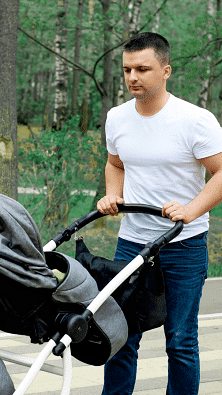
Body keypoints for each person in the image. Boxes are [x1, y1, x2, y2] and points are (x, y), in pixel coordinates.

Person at [97, 32, 222, 395]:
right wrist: (112, 195)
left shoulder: (194, 120)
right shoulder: (117, 117)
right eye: (127, 70)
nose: (133, 77)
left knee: (180, 342)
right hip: (131, 244)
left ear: (165, 70)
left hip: (182, 246)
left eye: (143, 69)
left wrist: (190, 209)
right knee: (120, 338)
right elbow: (114, 164)